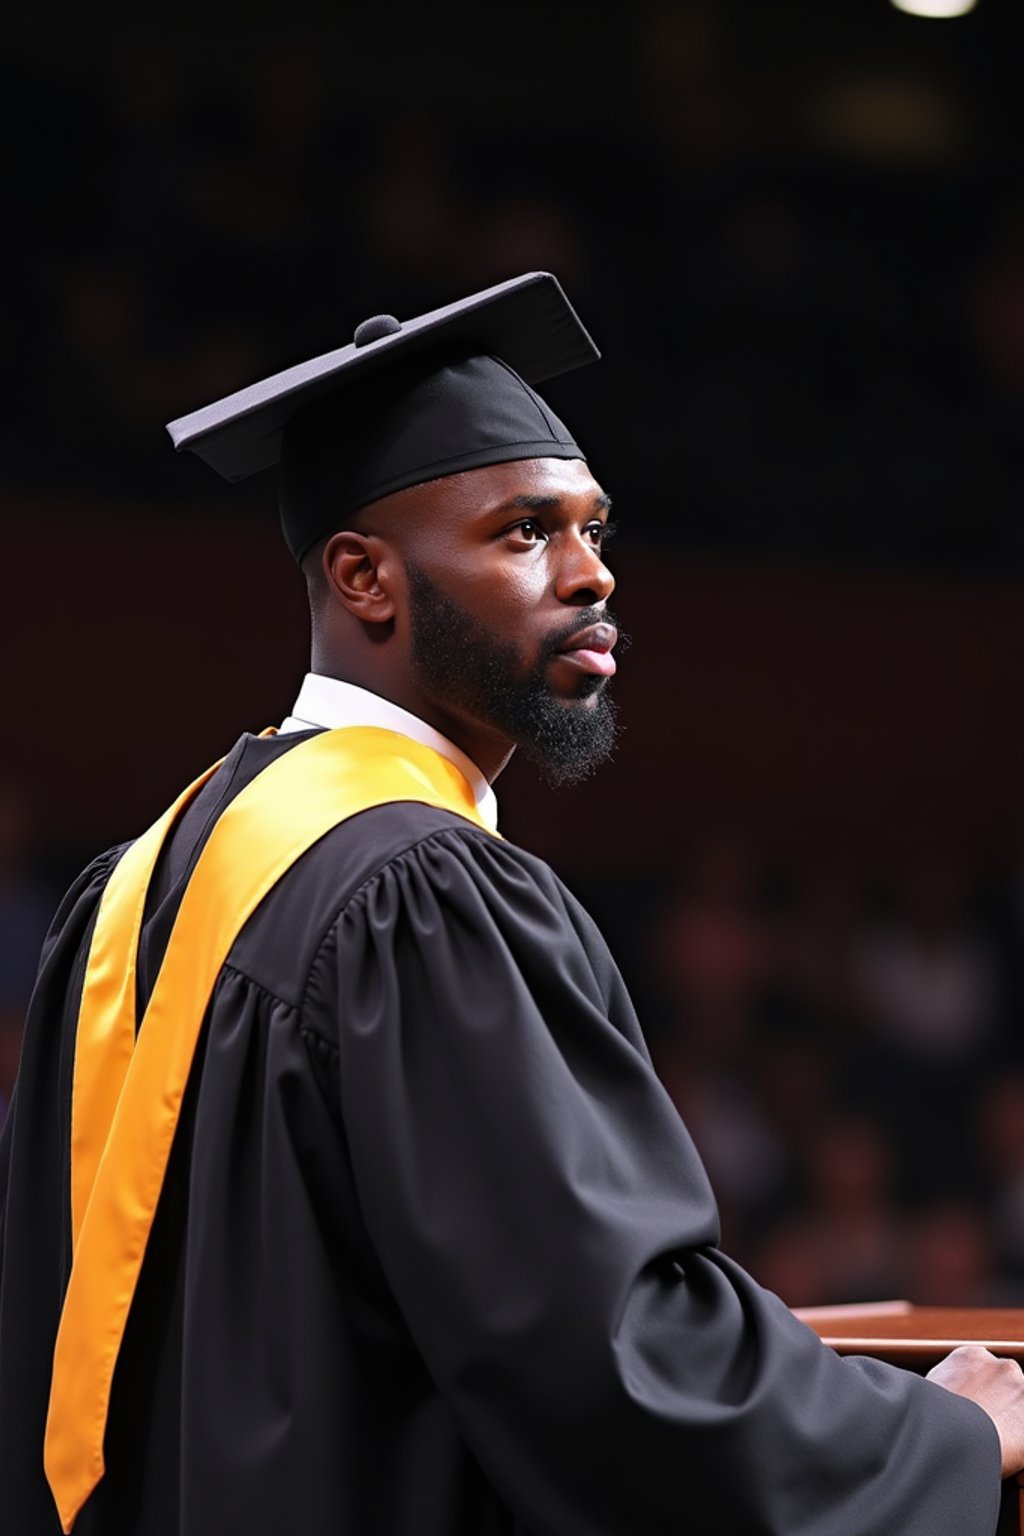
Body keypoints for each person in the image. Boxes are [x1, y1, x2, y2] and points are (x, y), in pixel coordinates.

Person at [1, 270, 1023, 1536]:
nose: (591, 575)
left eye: (596, 529)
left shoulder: (140, 885)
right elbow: (601, 1359)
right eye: (523, 531)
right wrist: (939, 1438)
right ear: (365, 578)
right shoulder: (416, 893)